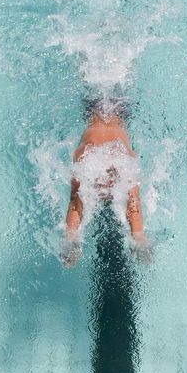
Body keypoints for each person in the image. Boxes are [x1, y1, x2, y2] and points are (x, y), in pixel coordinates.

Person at [62, 101, 150, 267]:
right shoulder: (122, 161)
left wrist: (71, 236)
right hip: (103, 111)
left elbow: (76, 201)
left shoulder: (88, 158)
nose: (107, 184)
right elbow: (133, 205)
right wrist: (138, 236)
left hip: (114, 112)